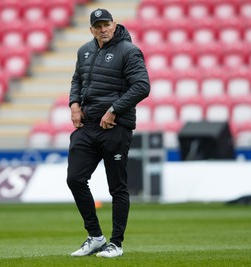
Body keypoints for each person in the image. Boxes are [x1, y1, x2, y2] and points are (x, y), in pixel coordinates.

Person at [66, 8, 150, 258]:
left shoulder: (129, 51)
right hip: (88, 126)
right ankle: (95, 237)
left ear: (114, 25)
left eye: (107, 25)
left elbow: (142, 86)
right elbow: (76, 81)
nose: (103, 29)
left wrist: (114, 110)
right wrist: (74, 105)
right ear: (91, 29)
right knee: (75, 179)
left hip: (115, 127)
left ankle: (116, 243)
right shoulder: (84, 50)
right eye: (97, 26)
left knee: (117, 187)